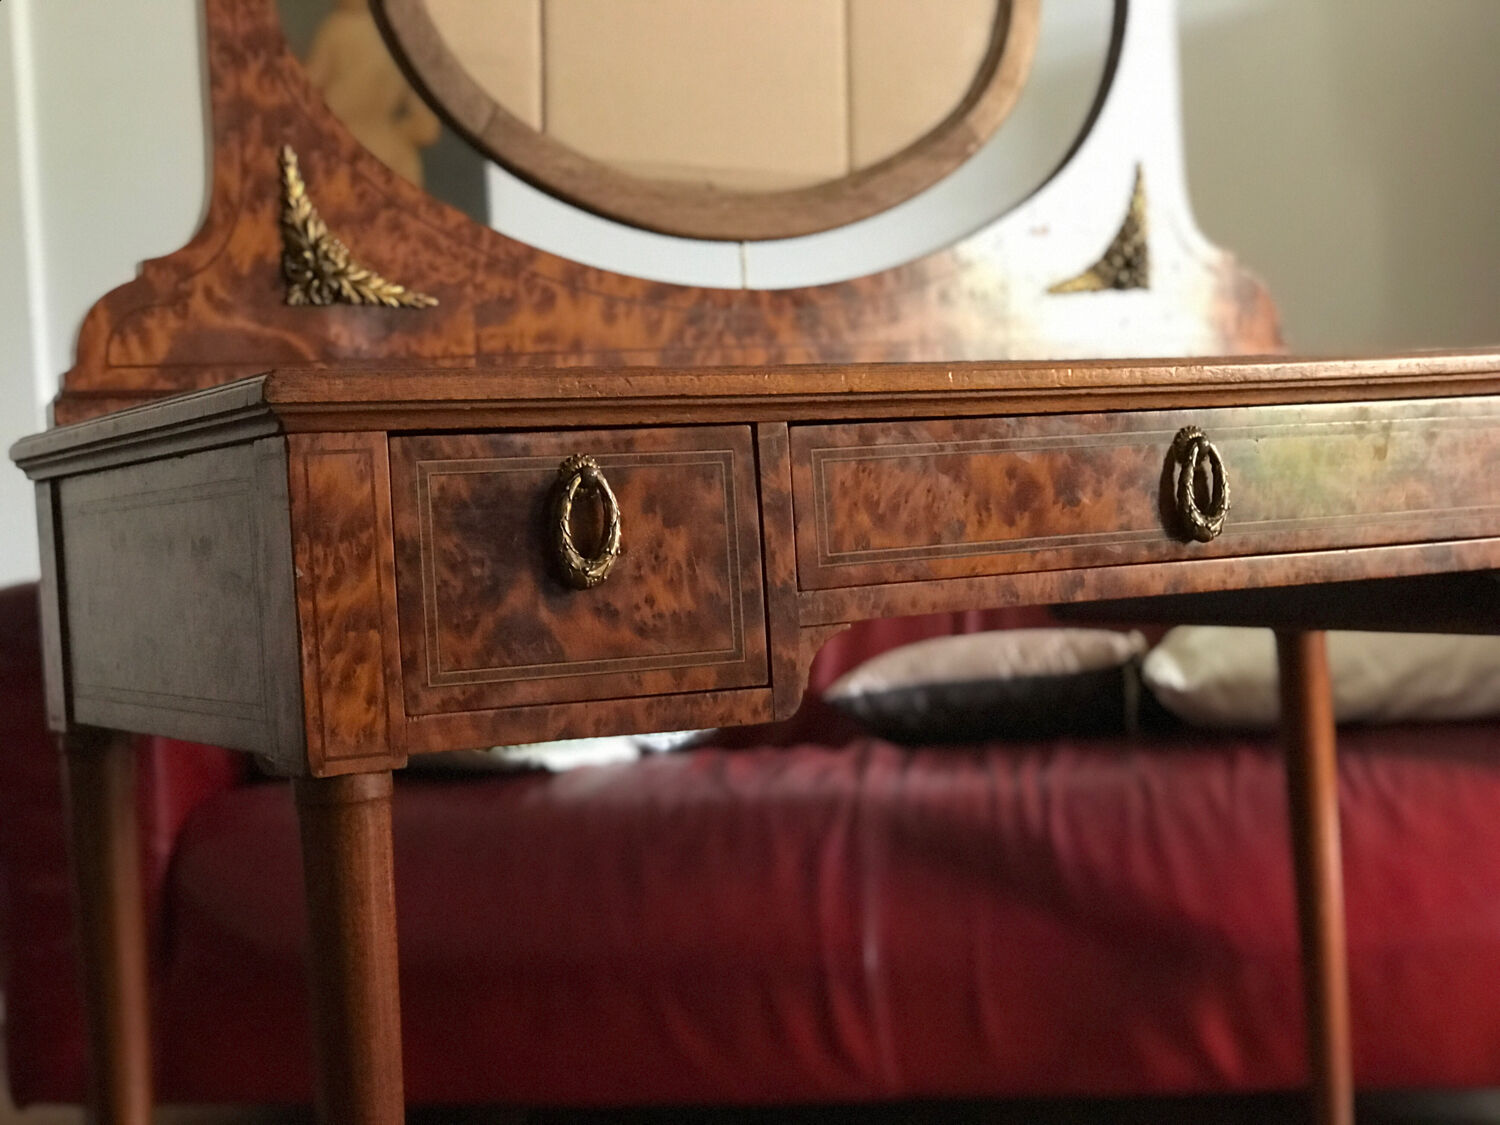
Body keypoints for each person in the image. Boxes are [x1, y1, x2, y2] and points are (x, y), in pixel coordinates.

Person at [303, 0, 441, 186]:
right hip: (384, 146)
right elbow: (426, 125)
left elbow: (307, 88)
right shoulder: (402, 34)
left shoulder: (339, 29)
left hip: (345, 144)